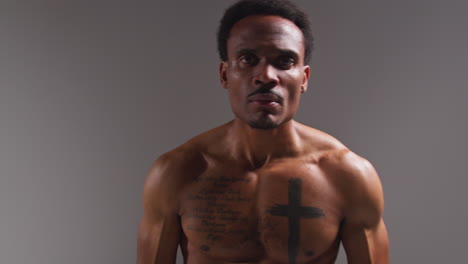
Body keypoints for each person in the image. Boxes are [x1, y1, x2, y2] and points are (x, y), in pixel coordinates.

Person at [137, 0, 389, 263]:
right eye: (248, 59)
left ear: (303, 79)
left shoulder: (347, 176)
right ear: (225, 74)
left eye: (284, 61)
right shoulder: (176, 172)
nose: (266, 75)